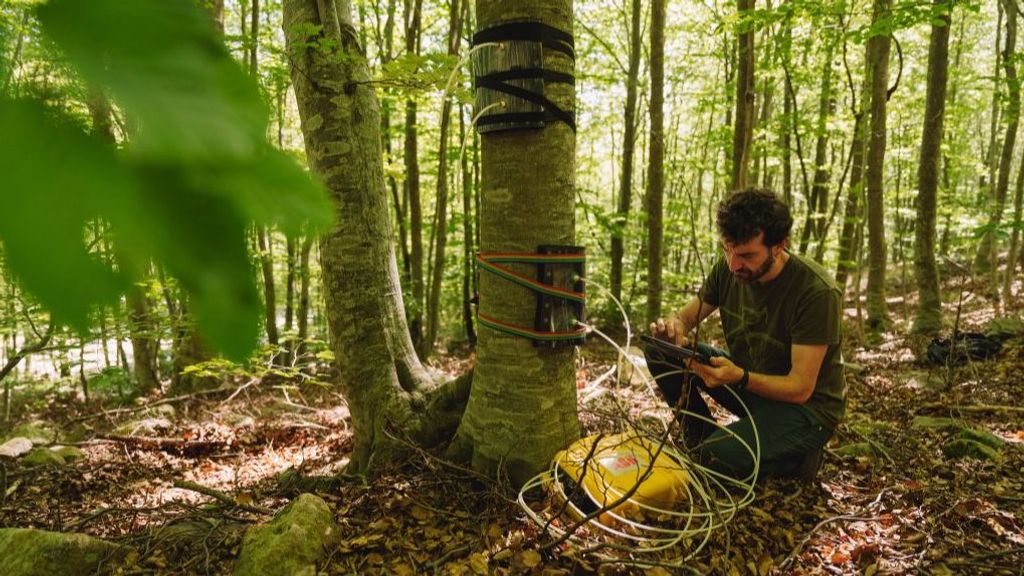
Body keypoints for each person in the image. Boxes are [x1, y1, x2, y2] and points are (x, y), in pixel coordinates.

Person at [646, 188, 846, 482]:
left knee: (712, 458)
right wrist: (673, 329)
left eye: (747, 255)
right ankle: (701, 436)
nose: (733, 264)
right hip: (747, 381)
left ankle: (795, 459)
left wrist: (738, 377)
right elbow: (685, 318)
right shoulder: (729, 270)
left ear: (779, 246)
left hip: (807, 410)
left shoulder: (815, 292)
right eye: (727, 250)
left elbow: (801, 387)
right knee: (658, 350)